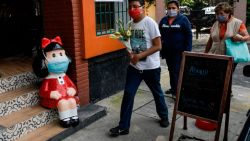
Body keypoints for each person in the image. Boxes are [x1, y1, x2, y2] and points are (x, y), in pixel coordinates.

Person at [109, 0, 169, 137]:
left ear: (142, 8)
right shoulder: (129, 24)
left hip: (151, 68)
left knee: (157, 93)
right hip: (134, 68)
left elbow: (158, 46)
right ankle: (123, 126)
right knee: (129, 94)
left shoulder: (150, 23)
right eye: (130, 7)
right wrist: (130, 54)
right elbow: (127, 44)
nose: (132, 9)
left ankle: (164, 116)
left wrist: (140, 55)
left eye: (135, 6)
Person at [32, 36, 80, 128]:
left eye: (61, 54)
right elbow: (42, 92)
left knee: (72, 100)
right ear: (45, 61)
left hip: (66, 96)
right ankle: (65, 119)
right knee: (63, 103)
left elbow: (72, 86)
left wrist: (73, 90)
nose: (59, 59)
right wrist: (50, 93)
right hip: (54, 99)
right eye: (53, 55)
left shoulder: (65, 76)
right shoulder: (48, 79)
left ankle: (74, 117)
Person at [204, 2, 250, 95]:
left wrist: (240, 38)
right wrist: (205, 52)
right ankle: (221, 92)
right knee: (215, 74)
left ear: (228, 13)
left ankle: (226, 94)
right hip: (215, 53)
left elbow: (248, 37)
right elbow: (210, 40)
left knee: (226, 75)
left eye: (221, 14)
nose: (219, 16)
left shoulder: (237, 23)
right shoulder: (216, 23)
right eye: (217, 14)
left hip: (230, 54)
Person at [159, 0, 192, 98]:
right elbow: (159, 34)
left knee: (176, 71)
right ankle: (174, 88)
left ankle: (177, 92)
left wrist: (187, 51)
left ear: (178, 9)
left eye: (173, 8)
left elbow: (189, 35)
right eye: (169, 8)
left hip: (180, 52)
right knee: (171, 70)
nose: (171, 10)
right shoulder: (163, 20)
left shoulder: (183, 20)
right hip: (168, 52)